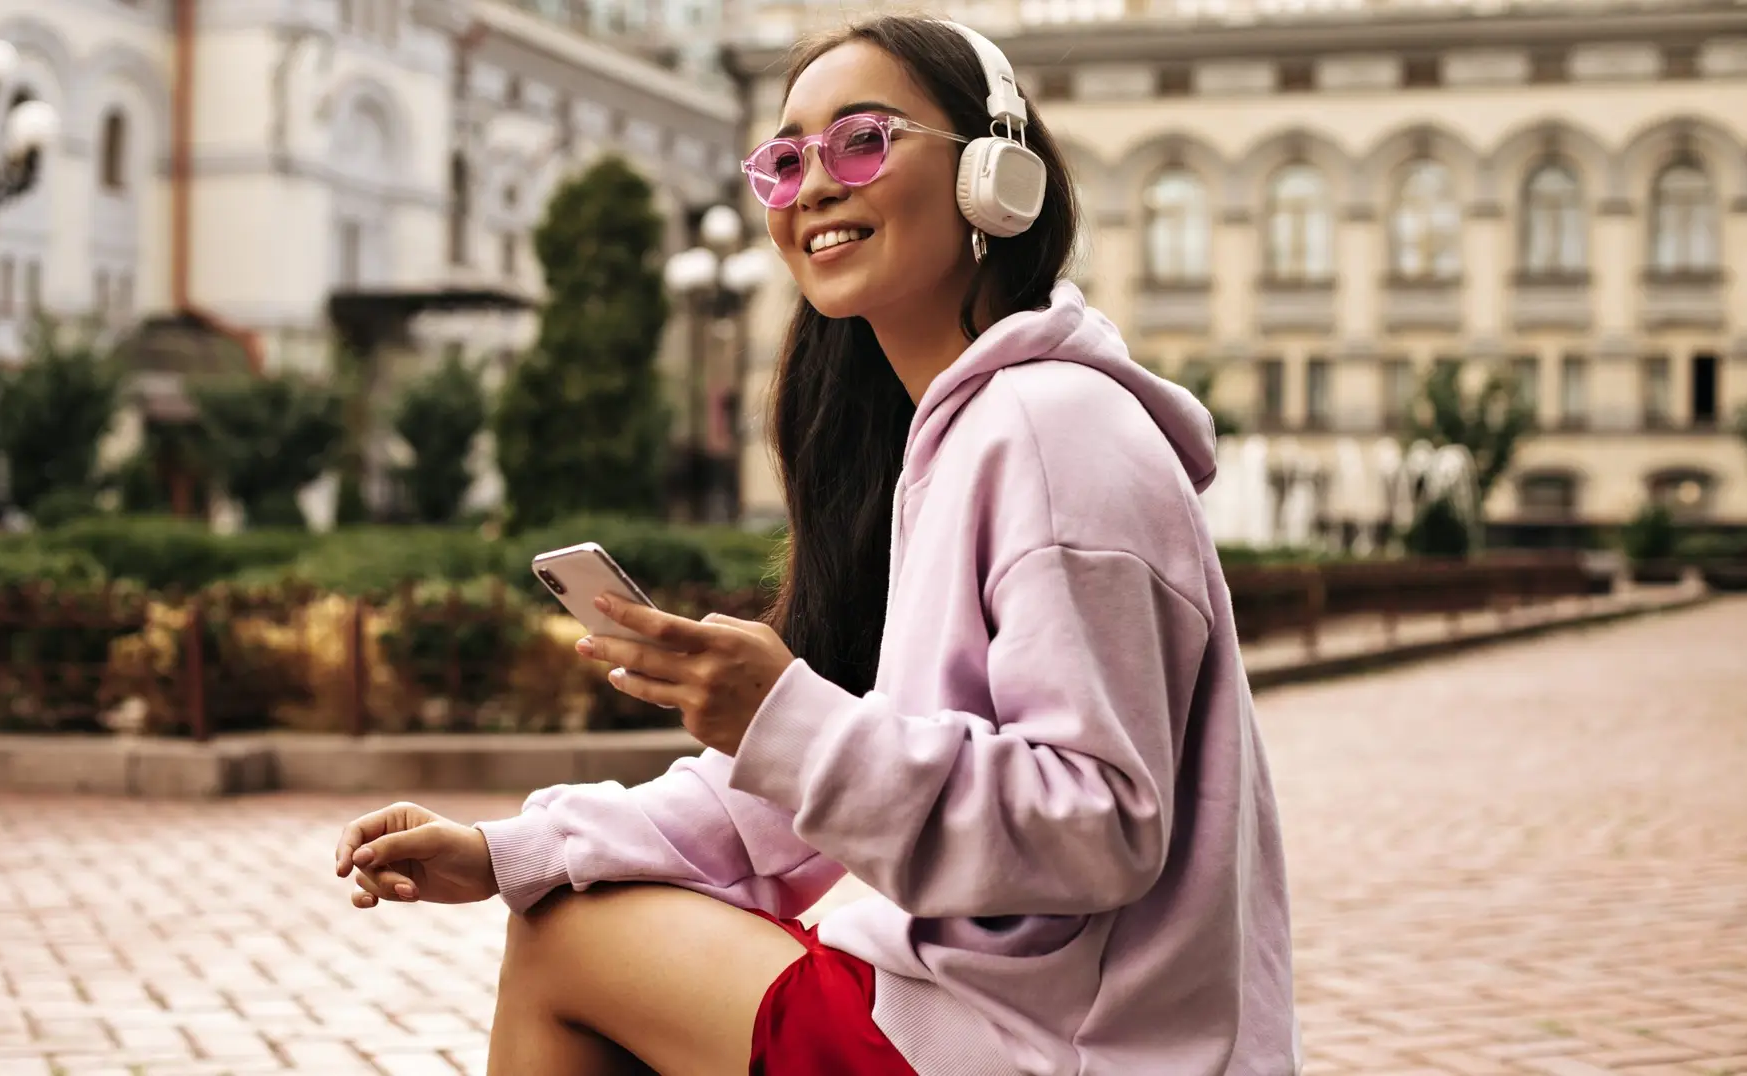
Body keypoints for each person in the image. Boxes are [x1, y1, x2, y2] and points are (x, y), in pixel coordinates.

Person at [333, 14, 1298, 1075]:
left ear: (993, 176)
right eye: (786, 161)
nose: (816, 186)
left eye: (862, 141)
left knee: (570, 942)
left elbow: (1100, 822)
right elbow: (777, 810)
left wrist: (788, 720)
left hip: (1066, 1048)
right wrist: (504, 850)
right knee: (567, 909)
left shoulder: (1054, 426)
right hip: (988, 1023)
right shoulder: (936, 445)